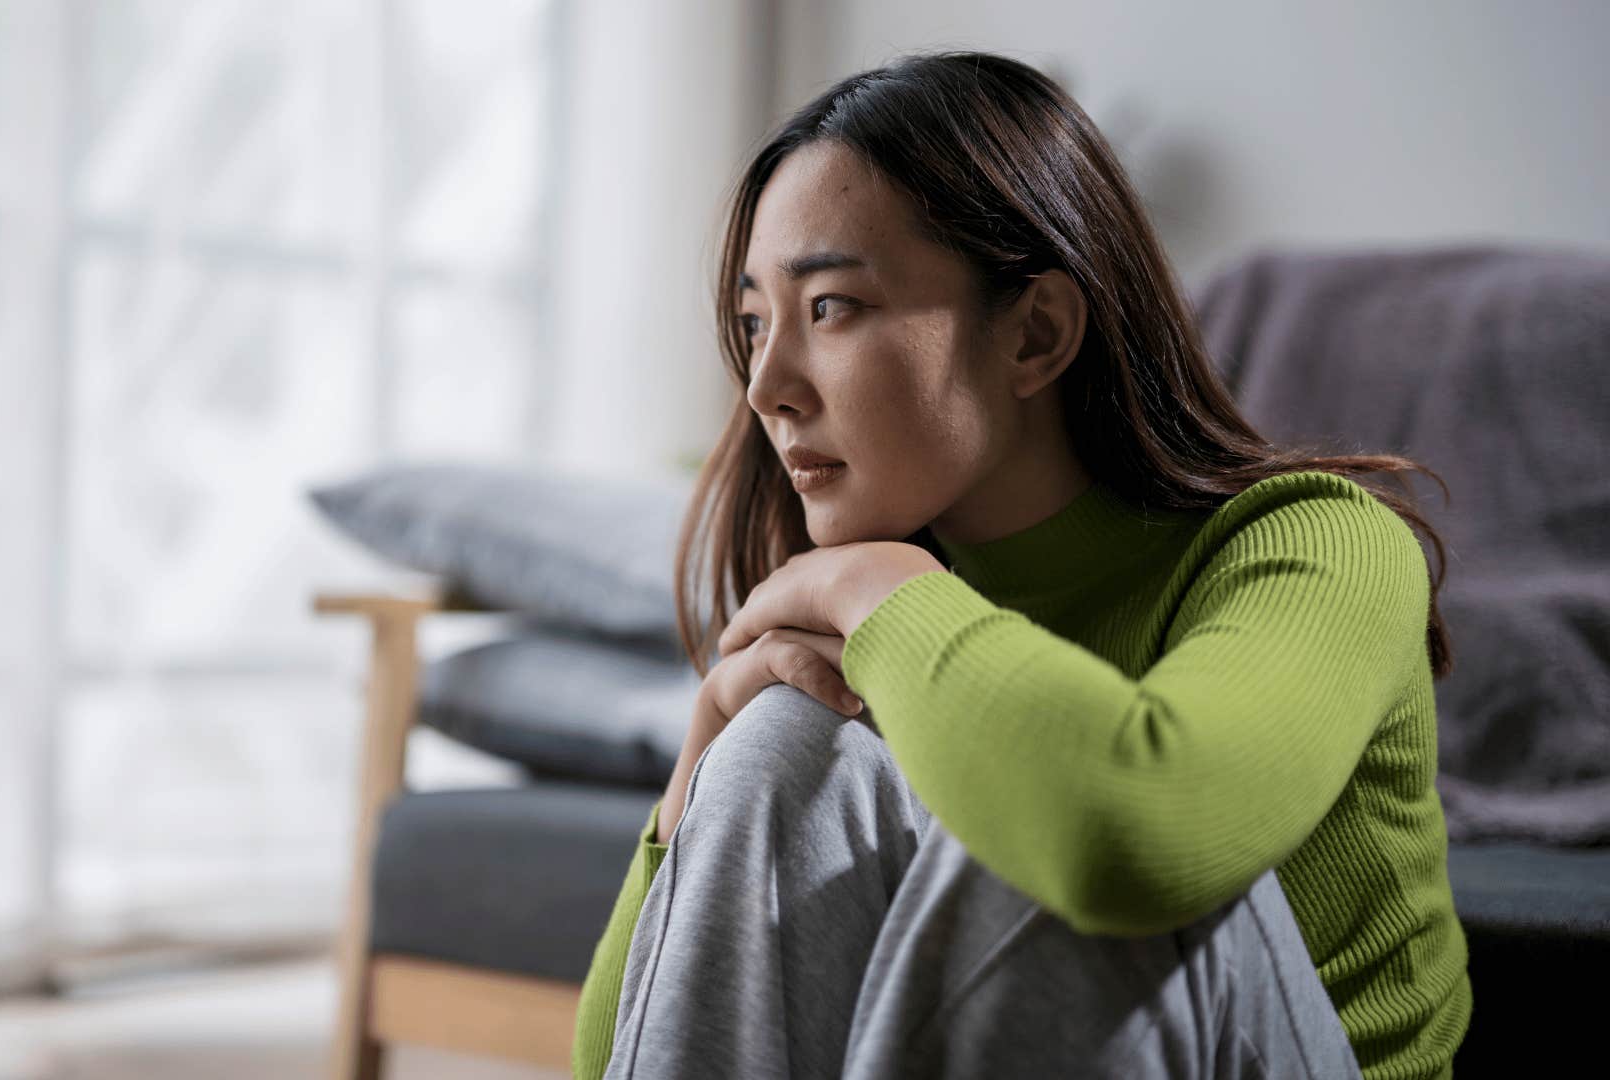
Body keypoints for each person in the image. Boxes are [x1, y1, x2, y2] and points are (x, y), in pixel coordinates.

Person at [569, 51, 1471, 1080]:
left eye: (830, 308)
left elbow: (1129, 838)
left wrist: (880, 591)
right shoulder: (873, 642)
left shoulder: (1323, 544)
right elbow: (615, 1062)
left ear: (1035, 333)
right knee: (781, 741)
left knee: (1035, 825)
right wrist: (701, 765)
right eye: (752, 323)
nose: (768, 385)